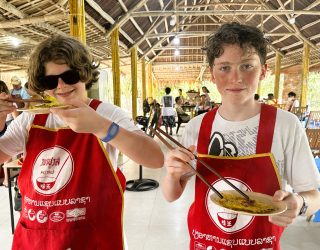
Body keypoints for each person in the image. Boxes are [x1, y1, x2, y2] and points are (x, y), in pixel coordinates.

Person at [162, 22, 320, 250]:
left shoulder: (285, 125)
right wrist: (171, 174)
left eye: (247, 66)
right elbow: (171, 195)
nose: (236, 78)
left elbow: (313, 195)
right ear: (212, 75)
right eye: (224, 68)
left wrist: (301, 203)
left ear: (264, 70)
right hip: (206, 243)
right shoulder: (196, 127)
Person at [0, 34, 164, 249]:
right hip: (37, 238)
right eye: (50, 81)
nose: (60, 86)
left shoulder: (106, 113)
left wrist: (102, 127)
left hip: (91, 238)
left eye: (70, 76)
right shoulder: (31, 119)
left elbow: (155, 158)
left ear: (84, 75)